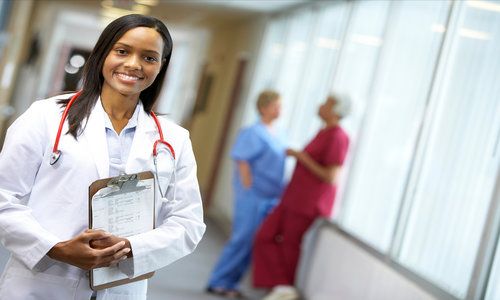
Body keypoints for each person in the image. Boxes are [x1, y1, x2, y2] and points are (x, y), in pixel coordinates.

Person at [0, 14, 205, 300]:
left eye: (149, 57)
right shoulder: (45, 117)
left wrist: (131, 248)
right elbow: (4, 198)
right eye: (122, 51)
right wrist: (55, 248)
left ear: (161, 66)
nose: (133, 64)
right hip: (44, 282)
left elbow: (188, 222)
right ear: (102, 53)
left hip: (123, 286)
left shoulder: (174, 139)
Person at [252, 94, 351, 300]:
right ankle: (280, 286)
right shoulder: (324, 132)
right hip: (293, 196)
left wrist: (301, 156)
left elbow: (331, 176)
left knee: (289, 243)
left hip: (309, 202)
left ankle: (284, 287)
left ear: (335, 110)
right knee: (265, 235)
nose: (320, 105)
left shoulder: (338, 137)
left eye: (326, 103)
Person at [206, 90, 287, 298]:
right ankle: (218, 281)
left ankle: (231, 282)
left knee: (254, 241)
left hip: (270, 195)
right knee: (242, 238)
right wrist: (247, 184)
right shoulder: (253, 132)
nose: (280, 110)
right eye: (276, 105)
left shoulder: (276, 133)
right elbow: (241, 159)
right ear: (263, 107)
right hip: (253, 194)